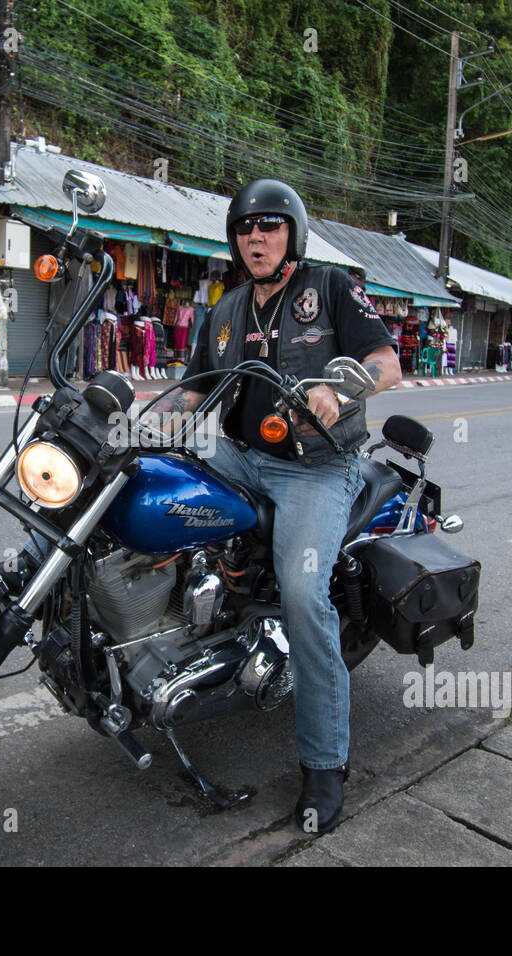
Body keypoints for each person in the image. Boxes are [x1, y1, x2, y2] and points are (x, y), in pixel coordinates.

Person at [157, 179, 401, 833]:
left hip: (316, 469)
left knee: (300, 592)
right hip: (241, 456)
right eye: (245, 228)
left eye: (268, 226)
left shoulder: (328, 287)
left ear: (291, 232)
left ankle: (325, 764)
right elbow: (193, 392)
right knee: (149, 495)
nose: (255, 238)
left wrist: (340, 387)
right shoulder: (226, 306)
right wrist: (144, 424)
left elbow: (387, 361)